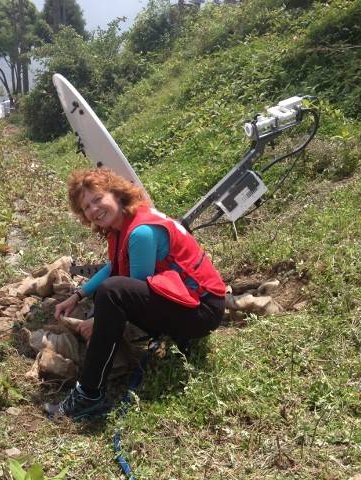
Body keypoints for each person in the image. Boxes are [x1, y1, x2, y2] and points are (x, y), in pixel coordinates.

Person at [44, 168, 226, 420]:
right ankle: (170, 336)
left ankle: (88, 394)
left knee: (111, 293)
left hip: (204, 311)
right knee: (108, 291)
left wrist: (98, 321)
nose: (93, 210)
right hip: (195, 303)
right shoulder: (126, 224)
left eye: (98, 199)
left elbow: (129, 290)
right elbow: (114, 267)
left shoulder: (141, 232)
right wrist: (77, 295)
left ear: (117, 194)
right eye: (86, 207)